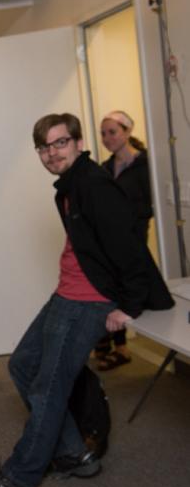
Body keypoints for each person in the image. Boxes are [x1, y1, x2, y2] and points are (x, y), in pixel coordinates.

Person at [0, 113, 173, 487]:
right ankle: (74, 453)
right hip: (70, 291)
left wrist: (127, 307)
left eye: (60, 143)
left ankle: (19, 475)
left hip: (89, 298)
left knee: (47, 387)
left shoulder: (93, 185)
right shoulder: (70, 186)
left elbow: (128, 246)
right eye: (44, 147)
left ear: (77, 142)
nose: (52, 153)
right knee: (23, 364)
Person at [94, 110, 153, 371]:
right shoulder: (105, 169)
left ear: (127, 132)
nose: (107, 138)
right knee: (109, 288)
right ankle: (112, 345)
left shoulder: (145, 165)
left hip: (133, 238)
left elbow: (150, 205)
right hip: (109, 239)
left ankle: (121, 347)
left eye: (112, 132)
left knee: (127, 287)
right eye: (103, 133)